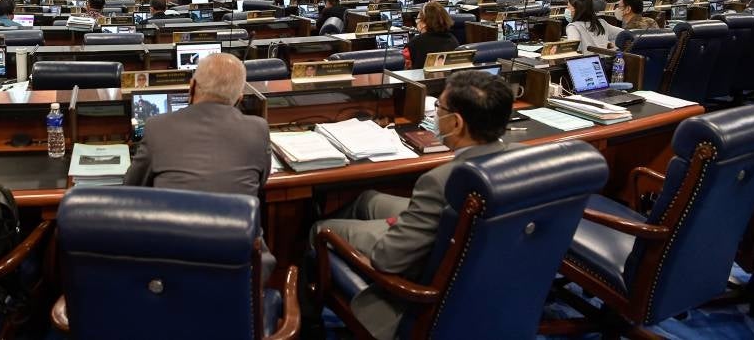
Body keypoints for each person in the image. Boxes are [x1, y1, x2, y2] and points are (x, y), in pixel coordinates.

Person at [308, 71, 515, 340]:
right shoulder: (522, 158)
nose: (435, 114)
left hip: (423, 277)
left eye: (438, 107)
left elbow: (388, 259)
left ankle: (307, 321)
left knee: (320, 229)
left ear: (456, 122)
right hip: (471, 252)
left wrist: (394, 228)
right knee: (367, 200)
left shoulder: (440, 181)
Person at [124, 53, 273, 273]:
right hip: (239, 269)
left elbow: (132, 189)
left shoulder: (157, 126)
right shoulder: (259, 129)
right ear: (240, 98)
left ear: (191, 86)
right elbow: (260, 182)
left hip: (170, 269)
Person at [405, 1, 458, 68]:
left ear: (424, 23)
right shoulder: (453, 40)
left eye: (418, 19)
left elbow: (406, 69)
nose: (416, 22)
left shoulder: (414, 43)